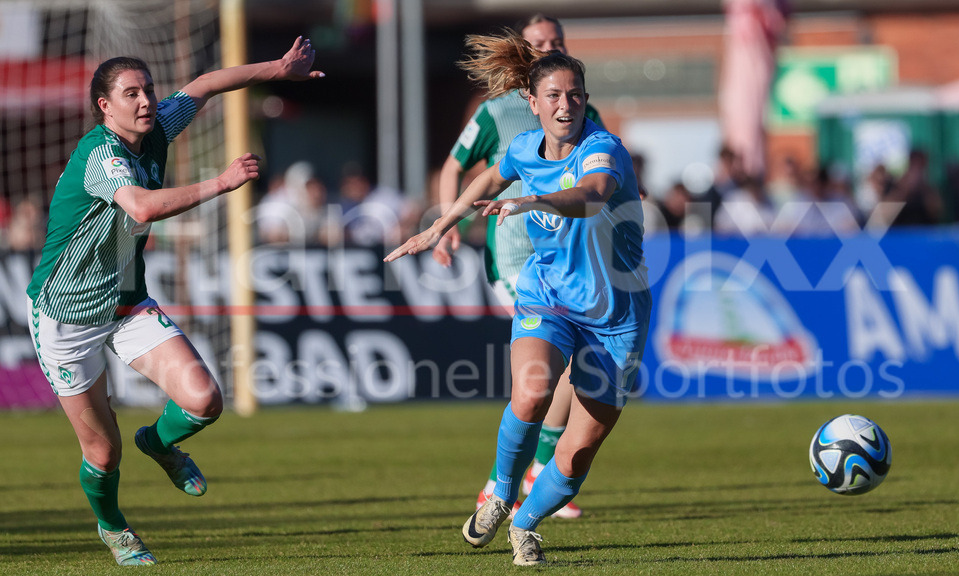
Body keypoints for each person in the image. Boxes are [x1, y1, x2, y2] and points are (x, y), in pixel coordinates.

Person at [25, 37, 323, 566]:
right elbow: (139, 207)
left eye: (149, 91)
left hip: (127, 306)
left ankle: (160, 444)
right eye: (131, 93)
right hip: (65, 318)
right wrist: (222, 181)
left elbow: (207, 84)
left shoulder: (158, 126)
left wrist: (278, 68)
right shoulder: (101, 153)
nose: (145, 102)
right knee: (102, 451)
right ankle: (114, 527)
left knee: (204, 401)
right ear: (105, 107)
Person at [386, 32, 650, 566]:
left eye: (575, 95)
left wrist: (532, 199)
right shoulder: (524, 147)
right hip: (549, 295)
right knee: (531, 393)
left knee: (576, 456)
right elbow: (488, 174)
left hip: (614, 316)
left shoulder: (604, 150)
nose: (565, 105)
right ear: (532, 103)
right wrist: (442, 224)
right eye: (553, 96)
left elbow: (593, 196)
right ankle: (501, 493)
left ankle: (525, 524)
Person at [433, 13, 603, 520]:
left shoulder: (579, 111)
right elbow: (455, 166)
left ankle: (532, 471)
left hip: (569, 259)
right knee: (550, 371)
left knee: (579, 370)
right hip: (513, 256)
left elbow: (601, 177)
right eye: (541, 41)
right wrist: (448, 227)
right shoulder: (498, 112)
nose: (551, 45)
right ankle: (516, 476)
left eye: (558, 40)